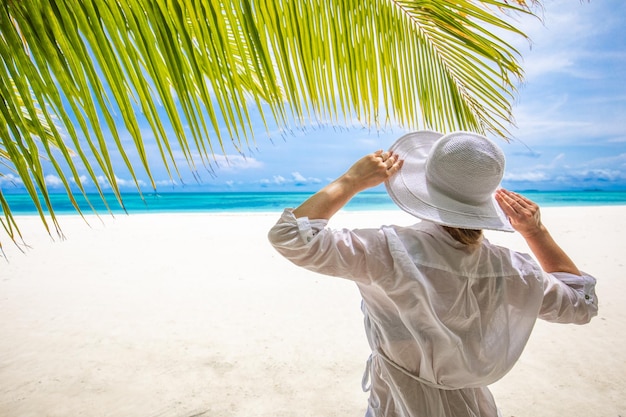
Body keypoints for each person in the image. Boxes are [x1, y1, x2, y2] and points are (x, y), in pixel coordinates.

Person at [267, 130, 598, 417]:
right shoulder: (513, 270)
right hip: (472, 406)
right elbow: (581, 303)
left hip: (398, 404)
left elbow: (291, 237)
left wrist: (352, 180)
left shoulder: (389, 251)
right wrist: (536, 232)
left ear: (424, 185)